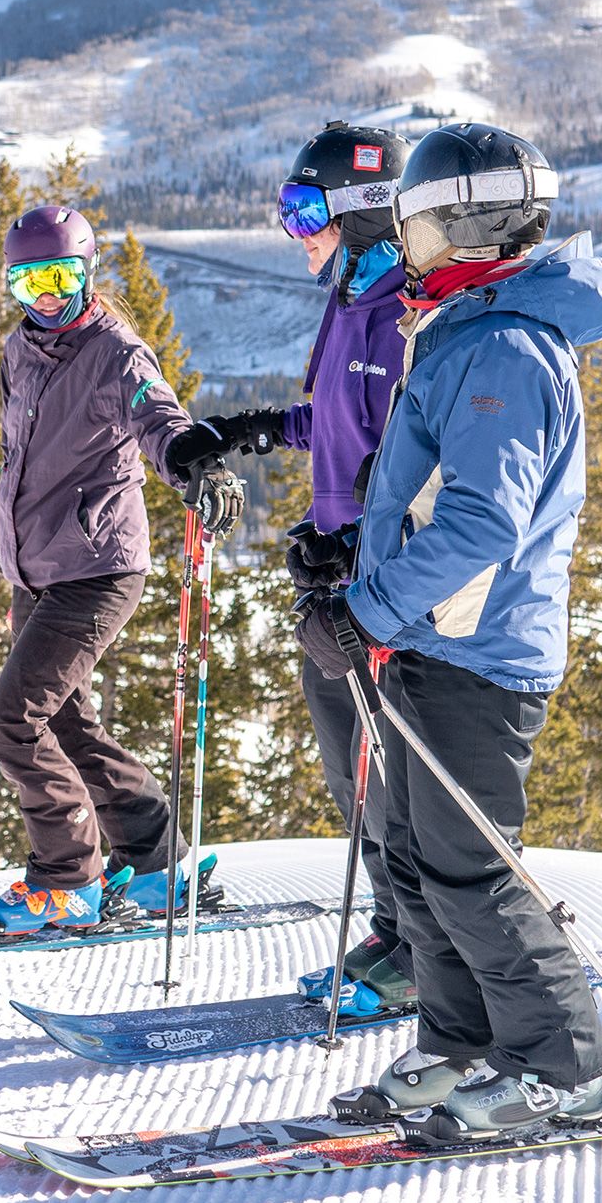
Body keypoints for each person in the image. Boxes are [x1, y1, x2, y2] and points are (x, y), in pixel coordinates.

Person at [294, 123, 602, 1139]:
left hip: (479, 655)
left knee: (472, 866)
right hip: (428, 642)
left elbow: (486, 520)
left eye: (421, 217)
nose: (406, 234)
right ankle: (460, 1040)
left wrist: (366, 608)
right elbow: (426, 495)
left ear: (465, 222)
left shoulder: (502, 346)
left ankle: (567, 1062)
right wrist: (352, 563)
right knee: (410, 856)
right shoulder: (460, 325)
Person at [164, 120, 416, 1003]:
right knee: (349, 769)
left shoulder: (405, 315)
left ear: (361, 213)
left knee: (391, 777)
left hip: (386, 588)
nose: (292, 229)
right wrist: (251, 430)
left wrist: (353, 539)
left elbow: (413, 457)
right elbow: (336, 424)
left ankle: (422, 951)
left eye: (304, 208)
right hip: (334, 585)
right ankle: (395, 930)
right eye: (286, 208)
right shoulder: (348, 303)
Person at [0, 203, 244, 941]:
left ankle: (68, 880)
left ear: (88, 273)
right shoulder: (20, 351)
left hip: (97, 566)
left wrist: (189, 460)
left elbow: (158, 419)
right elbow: (20, 463)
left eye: (60, 277)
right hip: (39, 569)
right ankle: (157, 860)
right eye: (30, 284)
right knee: (62, 718)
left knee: (13, 719)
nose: (48, 297)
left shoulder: (115, 351)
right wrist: (18, 564)